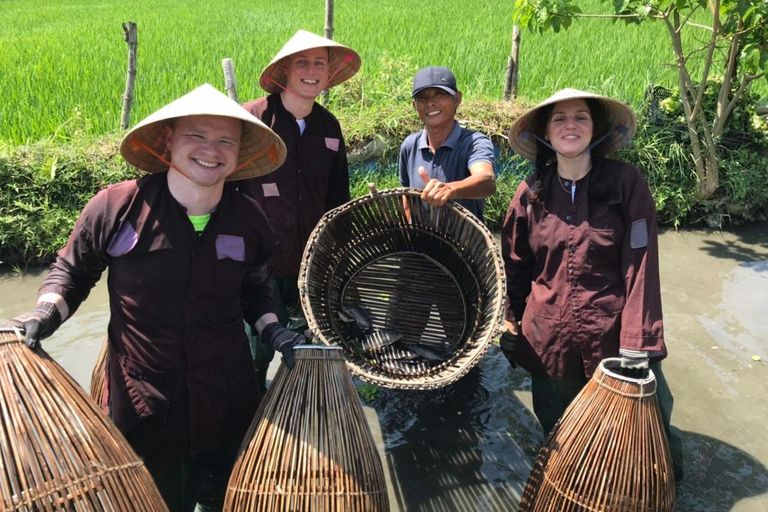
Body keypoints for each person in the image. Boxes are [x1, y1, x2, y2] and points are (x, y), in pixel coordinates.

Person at [3, 84, 308, 512]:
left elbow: (255, 291)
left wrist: (277, 333)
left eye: (226, 141)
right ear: (168, 140)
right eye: (196, 136)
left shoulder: (249, 218)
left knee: (230, 500)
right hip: (143, 408)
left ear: (240, 153)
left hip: (229, 403)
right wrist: (43, 313)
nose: (211, 150)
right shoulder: (116, 207)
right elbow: (72, 273)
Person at [501, 88, 684, 482]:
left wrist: (638, 344)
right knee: (563, 440)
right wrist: (510, 323)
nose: (571, 125)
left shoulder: (626, 184)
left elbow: (642, 264)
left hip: (615, 338)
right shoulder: (529, 194)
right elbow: (515, 267)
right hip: (550, 340)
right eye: (559, 119)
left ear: (595, 128)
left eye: (581, 117)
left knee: (653, 440)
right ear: (545, 134)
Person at [239, 30, 361, 390]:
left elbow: (339, 198)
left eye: (319, 64)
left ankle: (299, 407)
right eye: (302, 63)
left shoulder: (329, 127)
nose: (311, 71)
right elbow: (225, 190)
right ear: (285, 72)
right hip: (255, 264)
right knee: (256, 349)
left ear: (328, 73)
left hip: (309, 263)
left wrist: (340, 258)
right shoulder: (252, 120)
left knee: (307, 343)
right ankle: (251, 411)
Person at [399, 66, 496, 220]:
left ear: (456, 99)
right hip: (421, 242)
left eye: (439, 94)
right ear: (414, 106)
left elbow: (486, 180)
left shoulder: (474, 143)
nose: (430, 103)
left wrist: (451, 189)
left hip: (464, 242)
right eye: (422, 97)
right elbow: (406, 194)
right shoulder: (410, 146)